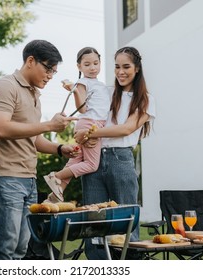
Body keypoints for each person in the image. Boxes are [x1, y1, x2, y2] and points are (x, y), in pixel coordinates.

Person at [0, 39, 78, 260]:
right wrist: (49, 125)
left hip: (28, 179)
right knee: (4, 248)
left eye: (54, 71)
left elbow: (33, 138)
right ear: (30, 60)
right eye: (48, 68)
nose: (50, 76)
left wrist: (60, 148)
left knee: (20, 249)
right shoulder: (6, 86)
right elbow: (0, 128)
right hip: (5, 177)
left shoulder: (34, 95)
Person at [74, 46, 156, 259]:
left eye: (126, 66)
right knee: (93, 220)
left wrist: (90, 134)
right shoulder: (105, 91)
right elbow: (84, 111)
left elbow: (126, 129)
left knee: (125, 220)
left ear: (137, 68)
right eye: (117, 67)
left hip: (121, 159)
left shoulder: (145, 98)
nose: (121, 72)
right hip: (95, 157)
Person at [43, 47, 112, 202]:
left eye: (96, 63)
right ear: (79, 67)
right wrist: (74, 91)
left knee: (76, 159)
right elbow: (83, 107)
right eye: (87, 64)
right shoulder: (82, 82)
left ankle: (57, 192)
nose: (93, 67)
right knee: (92, 165)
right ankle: (56, 176)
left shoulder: (99, 84)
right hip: (90, 124)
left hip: (91, 123)